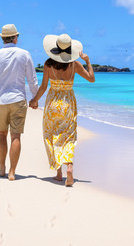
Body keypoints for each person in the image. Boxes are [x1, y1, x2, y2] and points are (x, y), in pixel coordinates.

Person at [29, 34, 94, 187]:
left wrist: (34, 100)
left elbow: (44, 86)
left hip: (52, 103)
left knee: (51, 134)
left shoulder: (48, 64)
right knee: (68, 136)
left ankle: (58, 174)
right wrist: (88, 61)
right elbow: (91, 79)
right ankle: (69, 167)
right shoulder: (75, 65)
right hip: (68, 103)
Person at [0, 24, 39, 181]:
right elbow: (32, 79)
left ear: (3, 38)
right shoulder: (24, 54)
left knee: (1, 134)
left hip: (0, 100)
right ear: (15, 38)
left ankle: (2, 169)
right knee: (16, 136)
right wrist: (35, 98)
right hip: (17, 99)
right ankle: (12, 172)